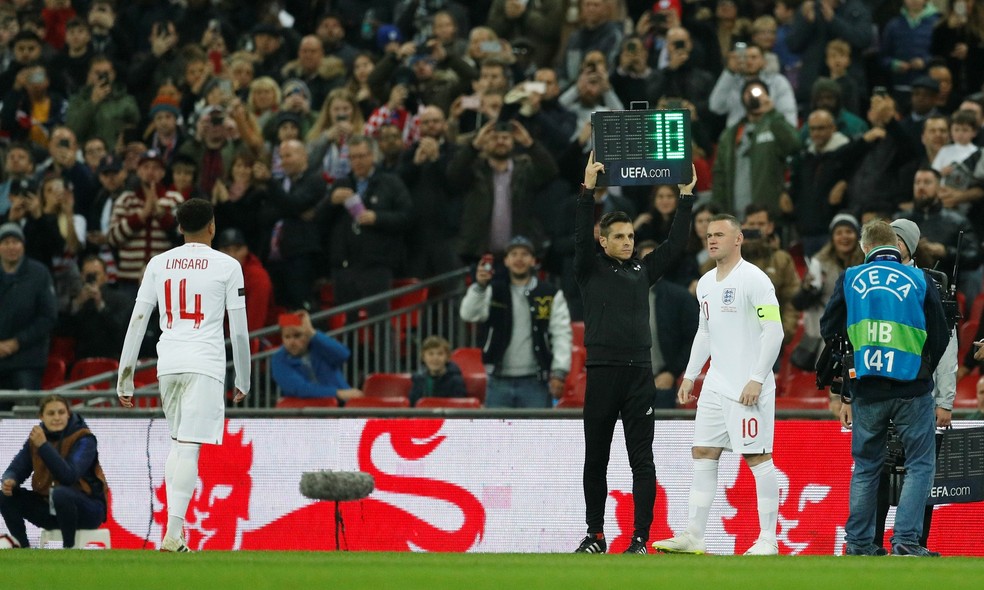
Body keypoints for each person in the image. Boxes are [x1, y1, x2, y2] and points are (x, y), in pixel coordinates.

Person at [573, 153, 696, 555]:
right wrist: (587, 189)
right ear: (602, 241)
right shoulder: (589, 268)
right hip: (603, 373)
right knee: (597, 459)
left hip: (639, 375)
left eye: (630, 236)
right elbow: (578, 234)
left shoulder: (643, 271)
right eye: (620, 237)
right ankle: (595, 535)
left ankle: (640, 538)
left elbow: (676, 244)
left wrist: (686, 197)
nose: (628, 242)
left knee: (641, 460)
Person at [116, 198, 251, 553]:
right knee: (189, 446)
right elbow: (238, 329)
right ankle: (173, 534)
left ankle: (173, 532)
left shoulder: (159, 263)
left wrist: (125, 375)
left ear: (179, 228)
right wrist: (244, 377)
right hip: (203, 362)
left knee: (178, 443)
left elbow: (139, 320)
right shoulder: (227, 265)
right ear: (212, 226)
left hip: (168, 362)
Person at [652, 214, 785, 556]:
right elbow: (705, 332)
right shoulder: (707, 283)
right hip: (716, 384)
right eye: (709, 235)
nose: (712, 240)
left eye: (719, 235)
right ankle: (695, 534)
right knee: (703, 453)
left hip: (747, 386)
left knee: (757, 457)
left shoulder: (755, 280)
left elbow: (775, 331)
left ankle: (768, 539)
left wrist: (757, 377)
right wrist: (691, 375)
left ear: (738, 238)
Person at [819, 219, 949, 557]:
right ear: (896, 243)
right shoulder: (920, 279)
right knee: (920, 464)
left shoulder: (850, 277)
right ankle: (906, 540)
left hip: (867, 389)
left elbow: (828, 327)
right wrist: (924, 370)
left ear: (865, 247)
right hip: (912, 388)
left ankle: (859, 544)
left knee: (866, 466)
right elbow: (941, 333)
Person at [459, 235, 572, 408]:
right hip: (498, 381)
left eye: (525, 254)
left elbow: (561, 333)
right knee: (497, 436)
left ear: (533, 261)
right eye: (514, 254)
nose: (519, 259)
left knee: (536, 436)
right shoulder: (493, 290)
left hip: (536, 383)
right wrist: (479, 287)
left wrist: (559, 372)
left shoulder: (549, 293)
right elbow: (468, 314)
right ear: (506, 261)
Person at [0, 394, 107, 549]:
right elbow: (17, 468)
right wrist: (9, 479)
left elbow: (68, 476)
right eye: (51, 413)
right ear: (41, 416)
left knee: (61, 493)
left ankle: (69, 548)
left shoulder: (84, 439)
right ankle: (22, 548)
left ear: (68, 414)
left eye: (61, 412)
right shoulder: (37, 438)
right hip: (50, 508)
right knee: (5, 495)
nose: (57, 417)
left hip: (87, 509)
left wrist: (44, 446)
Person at [0, 222, 57, 410]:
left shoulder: (39, 274)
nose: (11, 247)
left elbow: (48, 317)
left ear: (23, 245)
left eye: (15, 242)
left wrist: (17, 342)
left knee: (26, 418)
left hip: (27, 361)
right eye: (5, 242)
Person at [271, 310, 363, 402]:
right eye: (287, 337)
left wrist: (312, 333)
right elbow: (301, 389)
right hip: (308, 410)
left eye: (297, 335)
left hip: (342, 404)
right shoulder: (279, 359)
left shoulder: (319, 345)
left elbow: (343, 355)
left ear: (307, 335)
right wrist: (337, 393)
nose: (291, 342)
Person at [409, 335, 467, 407]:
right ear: (423, 357)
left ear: (447, 357)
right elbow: (412, 408)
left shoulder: (456, 382)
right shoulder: (418, 381)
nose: (435, 358)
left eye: (440, 354)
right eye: (431, 354)